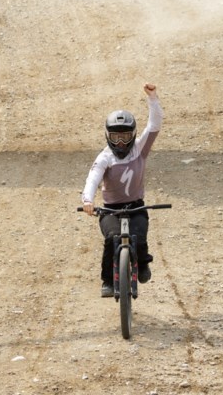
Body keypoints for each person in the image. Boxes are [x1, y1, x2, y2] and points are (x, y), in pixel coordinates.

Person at [81, 83, 163, 298]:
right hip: (110, 210)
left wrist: (152, 98)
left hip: (136, 205)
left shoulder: (140, 149)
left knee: (140, 233)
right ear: (108, 136)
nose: (120, 142)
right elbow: (93, 178)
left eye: (125, 137)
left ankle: (143, 264)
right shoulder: (104, 157)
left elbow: (154, 126)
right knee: (112, 238)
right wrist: (88, 200)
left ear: (132, 136)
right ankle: (108, 280)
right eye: (115, 137)